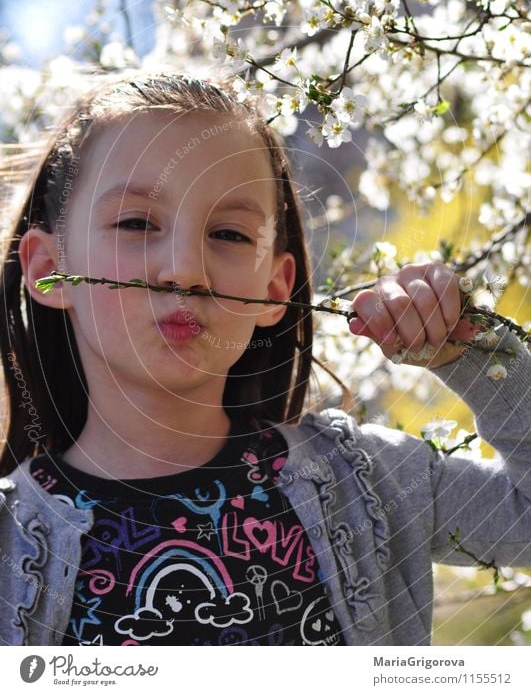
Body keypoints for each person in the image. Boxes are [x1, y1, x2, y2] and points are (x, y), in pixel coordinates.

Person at [0, 72, 529, 647]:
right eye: (135, 223)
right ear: (48, 271)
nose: (186, 270)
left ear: (276, 290)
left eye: (228, 234)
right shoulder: (11, 546)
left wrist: (474, 354)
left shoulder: (370, 483)